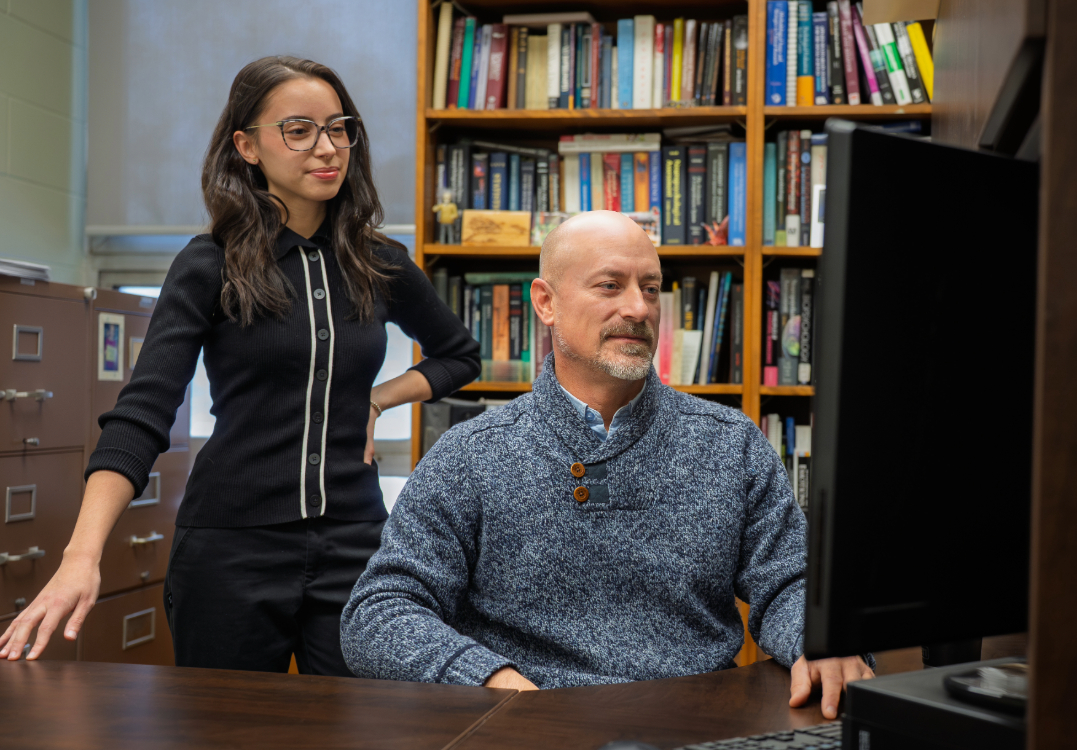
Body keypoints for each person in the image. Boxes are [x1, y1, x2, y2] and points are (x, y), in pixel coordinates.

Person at [0, 56, 480, 675]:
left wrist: (377, 399)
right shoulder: (209, 264)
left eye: (340, 128)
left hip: (356, 543)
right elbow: (143, 413)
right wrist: (81, 556)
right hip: (229, 548)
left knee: (364, 728)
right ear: (246, 145)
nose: (328, 148)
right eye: (299, 129)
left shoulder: (378, 262)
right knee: (223, 731)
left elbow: (458, 354)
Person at [339, 211, 872, 718]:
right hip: (529, 725)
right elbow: (378, 614)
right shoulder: (469, 455)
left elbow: (791, 582)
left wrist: (821, 641)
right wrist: (489, 680)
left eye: (650, 287)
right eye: (610, 286)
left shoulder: (730, 444)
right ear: (546, 303)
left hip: (700, 722)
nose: (639, 309)